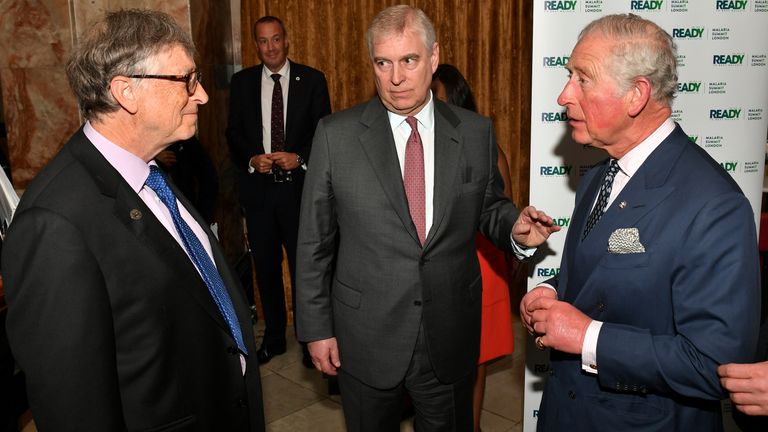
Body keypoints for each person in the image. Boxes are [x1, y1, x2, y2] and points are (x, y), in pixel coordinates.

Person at [295, 6, 559, 431]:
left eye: (409, 61)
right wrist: (316, 329)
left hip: (448, 331)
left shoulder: (474, 132)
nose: (395, 77)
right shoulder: (335, 136)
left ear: (433, 58)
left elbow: (488, 205)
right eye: (383, 63)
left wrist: (514, 228)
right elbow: (314, 243)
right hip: (366, 335)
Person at [2, 9, 265, 431]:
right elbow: (75, 408)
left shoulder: (150, 172)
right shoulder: (54, 224)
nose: (202, 96)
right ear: (126, 92)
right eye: (186, 80)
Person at [520, 13, 760, 431]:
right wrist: (550, 291)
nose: (563, 96)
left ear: (637, 95)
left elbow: (713, 365)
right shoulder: (600, 173)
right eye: (568, 76)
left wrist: (587, 338)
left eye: (583, 79)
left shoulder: (715, 206)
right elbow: (605, 275)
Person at [226, 15, 331, 366]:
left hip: (299, 192)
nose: (270, 47)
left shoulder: (312, 80)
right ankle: (273, 338)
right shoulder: (241, 83)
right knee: (266, 268)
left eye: (275, 39)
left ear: (286, 41)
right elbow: (233, 134)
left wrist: (299, 156)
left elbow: (324, 133)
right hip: (259, 193)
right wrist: (253, 159)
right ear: (256, 45)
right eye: (262, 41)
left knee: (306, 268)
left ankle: (308, 338)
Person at [432, 63, 515, 432]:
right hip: (440, 263)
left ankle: (472, 426)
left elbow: (505, 211)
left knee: (475, 356)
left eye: (437, 98)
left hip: (482, 264)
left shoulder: (486, 147)